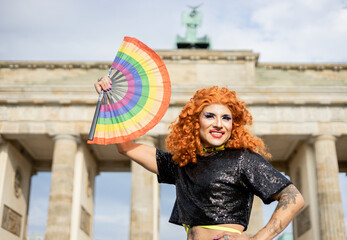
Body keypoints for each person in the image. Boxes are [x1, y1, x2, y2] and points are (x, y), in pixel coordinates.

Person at [95, 77, 305, 240]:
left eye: (226, 118)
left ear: (234, 125)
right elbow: (125, 147)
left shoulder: (243, 158)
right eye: (210, 116)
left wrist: (259, 238)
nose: (219, 124)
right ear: (195, 122)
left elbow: (294, 198)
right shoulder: (181, 163)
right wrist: (110, 98)